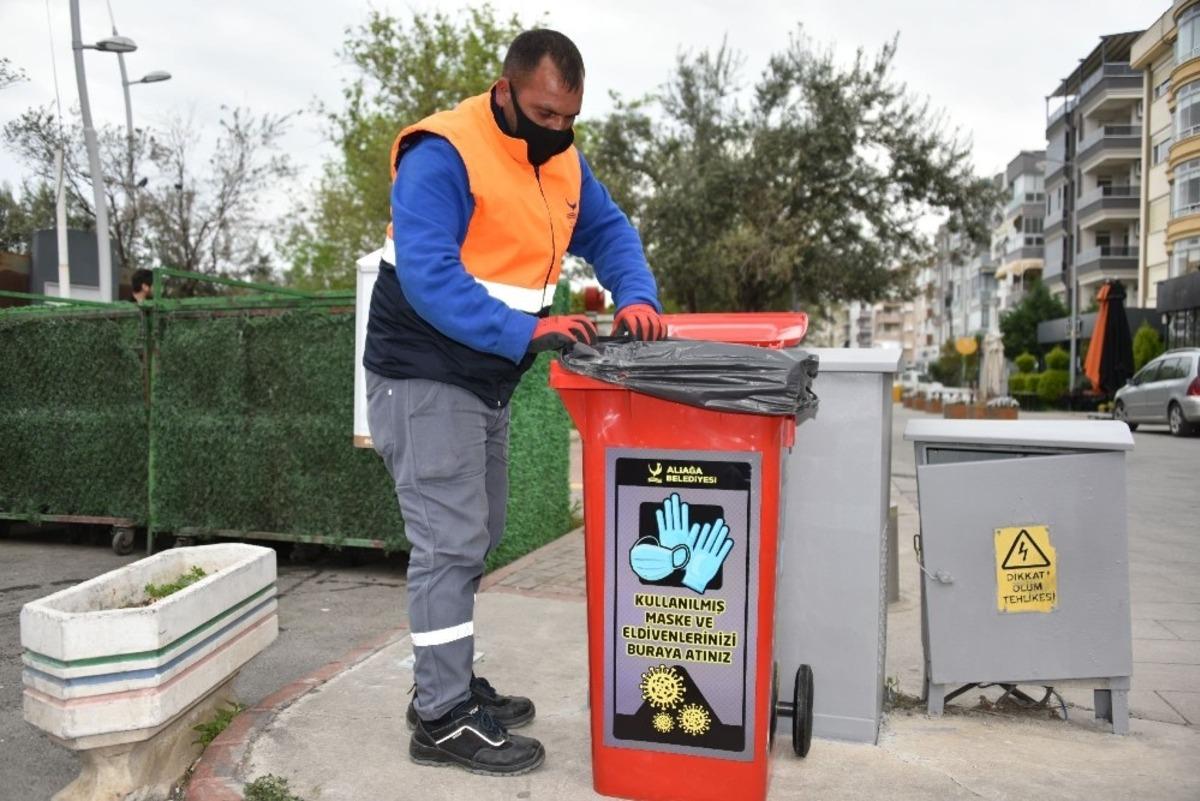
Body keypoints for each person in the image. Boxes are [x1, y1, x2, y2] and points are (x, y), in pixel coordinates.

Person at [364, 28, 664, 776]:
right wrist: (528, 329)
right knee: (450, 540)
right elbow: (431, 276)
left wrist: (638, 296)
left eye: (569, 117)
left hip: (482, 375)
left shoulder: (562, 160)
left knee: (480, 528)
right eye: (543, 112)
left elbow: (609, 228)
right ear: (505, 92)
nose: (556, 129)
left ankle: (449, 683)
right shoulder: (444, 154)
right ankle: (440, 715)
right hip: (423, 368)